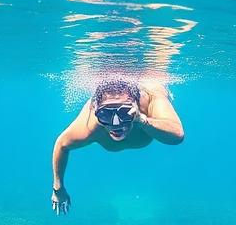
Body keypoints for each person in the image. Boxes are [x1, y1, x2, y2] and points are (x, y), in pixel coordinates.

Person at [51, 78, 184, 214]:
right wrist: (58, 188)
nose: (116, 123)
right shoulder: (91, 126)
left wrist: (142, 120)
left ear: (136, 106)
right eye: (106, 114)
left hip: (150, 85)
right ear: (95, 110)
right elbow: (61, 145)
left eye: (124, 112)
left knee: (156, 87)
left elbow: (177, 135)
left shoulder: (152, 98)